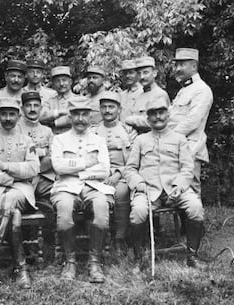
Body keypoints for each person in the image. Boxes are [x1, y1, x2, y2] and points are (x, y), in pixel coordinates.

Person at [124, 95, 205, 270]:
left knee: (195, 208)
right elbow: (130, 169)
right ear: (148, 118)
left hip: (176, 190)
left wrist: (179, 185)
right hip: (148, 191)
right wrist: (138, 183)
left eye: (161, 113)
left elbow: (187, 168)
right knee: (138, 211)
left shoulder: (179, 139)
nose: (158, 117)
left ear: (168, 115)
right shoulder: (140, 140)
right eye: (153, 114)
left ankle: (192, 256)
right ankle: (139, 258)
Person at [0, 98, 40, 289]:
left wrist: (5, 166)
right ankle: (21, 269)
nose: (7, 118)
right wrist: (11, 179)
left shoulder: (27, 141)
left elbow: (33, 168)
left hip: (22, 192)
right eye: (3, 114)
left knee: (10, 198)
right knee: (14, 214)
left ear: (19, 116)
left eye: (12, 114)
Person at [51, 97, 115, 283]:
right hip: (65, 187)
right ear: (70, 117)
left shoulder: (98, 140)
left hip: (94, 186)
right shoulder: (59, 140)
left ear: (90, 116)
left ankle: (94, 262)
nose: (80, 119)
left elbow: (104, 169)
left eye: (84, 114)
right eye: (76, 114)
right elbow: (58, 166)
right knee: (63, 215)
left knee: (102, 211)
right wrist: (85, 163)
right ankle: (70, 261)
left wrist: (79, 173)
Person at [89, 91, 131, 255]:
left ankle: (119, 238)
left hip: (121, 174)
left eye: (111, 107)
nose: (107, 110)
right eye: (104, 107)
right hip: (98, 175)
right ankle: (100, 236)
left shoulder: (128, 130)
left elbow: (134, 159)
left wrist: (118, 175)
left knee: (121, 192)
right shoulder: (92, 131)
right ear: (99, 109)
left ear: (119, 109)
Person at [169, 48, 213, 196]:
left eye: (182, 65)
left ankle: (196, 220)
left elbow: (192, 121)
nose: (178, 69)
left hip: (191, 148)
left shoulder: (202, 90)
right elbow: (171, 118)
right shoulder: (183, 91)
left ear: (194, 66)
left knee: (191, 194)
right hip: (177, 148)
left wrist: (168, 138)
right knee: (178, 192)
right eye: (177, 65)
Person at [17, 91, 55, 203]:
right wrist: (43, 151)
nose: (32, 109)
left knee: (57, 193)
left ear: (41, 108)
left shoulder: (47, 131)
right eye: (28, 106)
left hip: (44, 177)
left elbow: (53, 156)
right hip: (22, 177)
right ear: (22, 108)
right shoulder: (15, 129)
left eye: (36, 105)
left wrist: (32, 153)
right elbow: (18, 155)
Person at [124, 56, 170, 134]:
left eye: (145, 72)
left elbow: (158, 121)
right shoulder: (139, 94)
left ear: (154, 73)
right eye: (139, 73)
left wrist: (130, 120)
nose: (142, 77)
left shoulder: (159, 94)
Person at [40, 66, 78, 134]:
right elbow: (41, 117)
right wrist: (59, 112)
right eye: (57, 81)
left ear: (70, 82)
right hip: (54, 139)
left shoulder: (78, 100)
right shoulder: (49, 101)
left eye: (64, 80)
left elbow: (76, 118)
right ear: (53, 84)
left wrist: (54, 123)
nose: (61, 84)